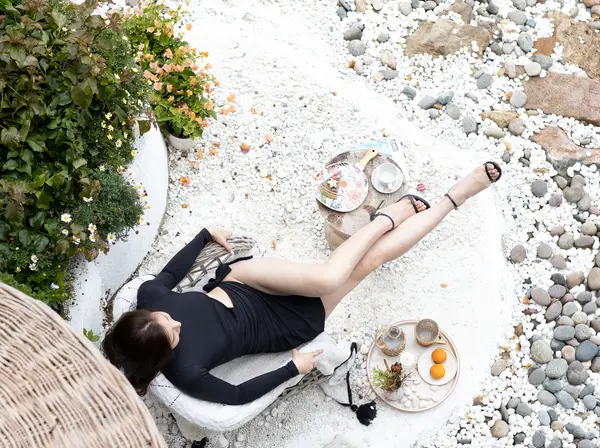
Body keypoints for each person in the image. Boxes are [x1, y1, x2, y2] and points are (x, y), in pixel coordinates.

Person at [103, 162, 501, 405]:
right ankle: (453, 199)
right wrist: (292, 368)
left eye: (164, 318)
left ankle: (386, 218)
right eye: (173, 335)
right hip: (282, 325)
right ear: (163, 356)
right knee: (369, 262)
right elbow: (238, 395)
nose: (176, 322)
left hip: (244, 283)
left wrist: (205, 234)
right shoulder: (186, 373)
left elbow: (168, 276)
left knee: (330, 274)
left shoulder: (148, 297)